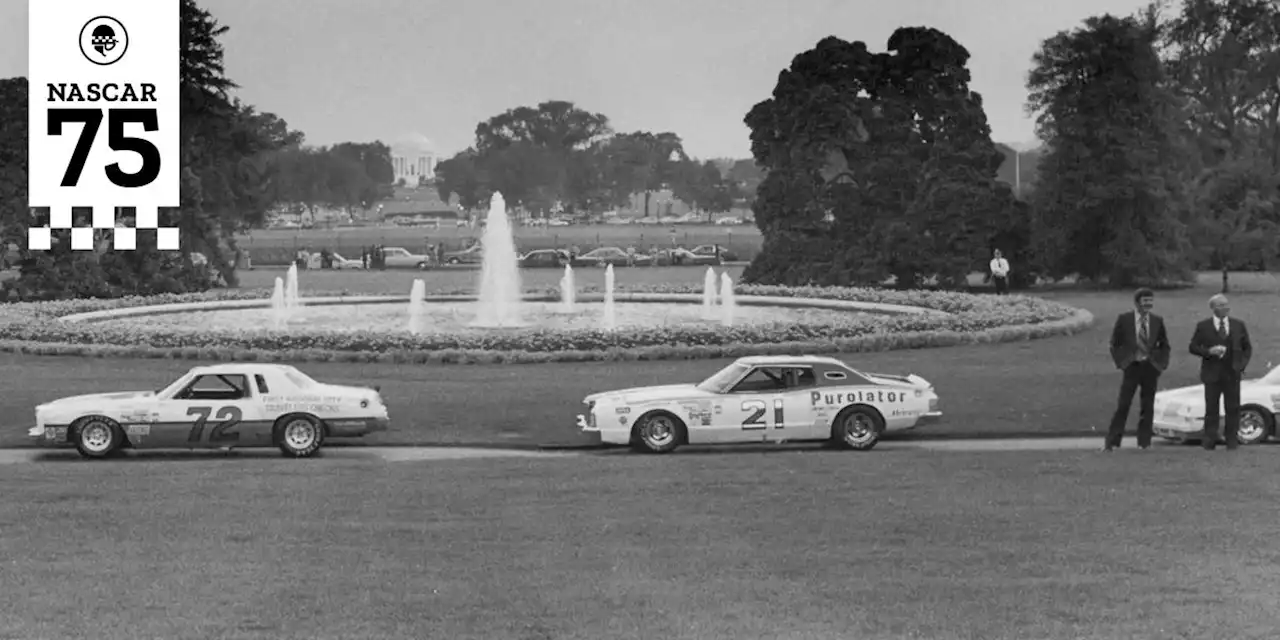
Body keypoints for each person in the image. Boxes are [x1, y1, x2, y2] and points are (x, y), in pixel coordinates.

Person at [1104, 288, 1170, 451]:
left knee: (1147, 406)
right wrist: (1123, 362)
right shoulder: (1125, 319)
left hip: (1150, 368)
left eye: (1150, 301)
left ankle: (1144, 443)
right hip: (1132, 367)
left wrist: (1160, 364)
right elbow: (1115, 343)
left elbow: (1164, 345)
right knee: (1123, 404)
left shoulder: (1157, 321)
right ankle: (1112, 442)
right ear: (1137, 302)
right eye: (1145, 301)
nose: (1148, 304)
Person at [1189, 293, 1252, 450]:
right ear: (1213, 308)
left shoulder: (1238, 325)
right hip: (1212, 374)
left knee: (1233, 407)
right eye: (1221, 305)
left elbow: (1247, 348)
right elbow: (1193, 347)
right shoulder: (1203, 326)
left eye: (1226, 304)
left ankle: (1232, 440)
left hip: (1232, 373)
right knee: (1211, 408)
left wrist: (1241, 365)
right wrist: (1209, 351)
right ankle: (1210, 440)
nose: (1226, 308)